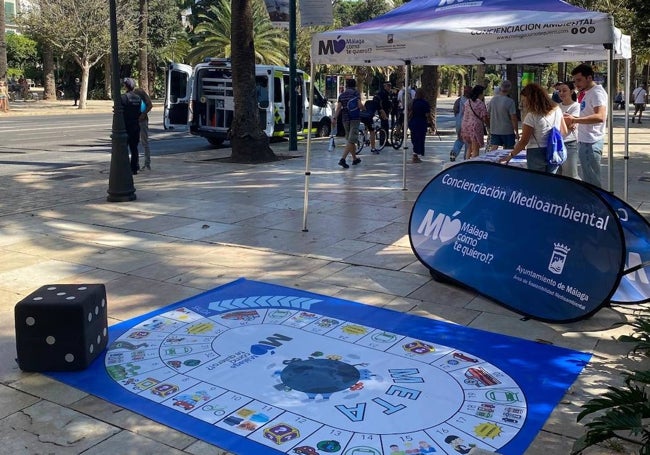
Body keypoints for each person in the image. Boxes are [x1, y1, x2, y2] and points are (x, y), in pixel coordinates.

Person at [501, 83, 568, 174]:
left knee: (537, 182)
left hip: (536, 152)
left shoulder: (531, 116)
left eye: (524, 100)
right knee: (550, 181)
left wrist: (510, 155)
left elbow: (524, 141)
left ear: (530, 99)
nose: (523, 103)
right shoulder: (557, 109)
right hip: (554, 150)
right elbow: (564, 131)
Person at [564, 63, 608, 187]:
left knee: (591, 181)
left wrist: (575, 120)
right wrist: (575, 119)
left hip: (591, 142)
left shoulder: (596, 93)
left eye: (579, 80)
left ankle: (595, 205)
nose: (576, 84)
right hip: (585, 141)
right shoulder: (588, 92)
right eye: (574, 81)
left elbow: (600, 116)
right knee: (588, 178)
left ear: (589, 78)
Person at [331, 78, 362, 169]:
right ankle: (342, 159)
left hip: (345, 119)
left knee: (349, 138)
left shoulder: (342, 95)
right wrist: (364, 108)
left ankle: (354, 159)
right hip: (354, 118)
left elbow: (339, 108)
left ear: (346, 85)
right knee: (352, 140)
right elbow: (359, 105)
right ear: (354, 85)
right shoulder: (356, 93)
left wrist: (334, 118)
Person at [557, 81, 580, 179]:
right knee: (558, 175)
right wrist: (565, 120)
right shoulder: (556, 106)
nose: (561, 93)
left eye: (564, 90)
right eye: (560, 91)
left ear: (571, 92)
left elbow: (571, 123)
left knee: (571, 175)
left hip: (569, 143)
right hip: (557, 143)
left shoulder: (576, 106)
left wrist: (564, 121)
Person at [487, 80, 519, 151]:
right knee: (508, 150)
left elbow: (487, 114)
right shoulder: (510, 101)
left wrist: (489, 126)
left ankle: (491, 161)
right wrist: (516, 131)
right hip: (507, 130)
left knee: (494, 148)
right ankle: (506, 161)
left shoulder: (493, 100)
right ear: (509, 89)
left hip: (495, 129)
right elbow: (513, 118)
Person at [121, 78, 142, 175]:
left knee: (123, 148)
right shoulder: (138, 98)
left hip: (126, 126)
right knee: (134, 148)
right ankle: (134, 167)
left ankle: (124, 167)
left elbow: (119, 112)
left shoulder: (124, 97)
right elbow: (141, 110)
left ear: (126, 86)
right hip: (136, 125)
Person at [460, 85, 489, 159]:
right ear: (480, 94)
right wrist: (489, 125)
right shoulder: (480, 103)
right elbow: (485, 116)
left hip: (466, 126)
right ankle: (473, 164)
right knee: (476, 148)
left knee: (469, 147)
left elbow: (464, 113)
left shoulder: (467, 102)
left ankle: (466, 162)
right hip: (475, 127)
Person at [408, 88, 434, 163]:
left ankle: (415, 153)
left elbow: (409, 112)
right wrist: (431, 123)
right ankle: (415, 155)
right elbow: (427, 114)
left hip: (412, 122)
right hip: (421, 122)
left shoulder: (413, 102)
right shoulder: (424, 103)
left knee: (414, 138)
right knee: (420, 139)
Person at [133, 81, 153, 171]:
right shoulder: (136, 93)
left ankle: (146, 163)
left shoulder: (139, 92)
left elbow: (150, 105)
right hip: (137, 120)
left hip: (141, 120)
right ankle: (138, 164)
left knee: (143, 142)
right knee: (139, 143)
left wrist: (143, 114)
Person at [450, 86, 470, 161]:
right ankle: (466, 158)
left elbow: (455, 110)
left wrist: (458, 118)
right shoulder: (471, 102)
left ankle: (454, 152)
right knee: (468, 141)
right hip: (467, 123)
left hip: (459, 123)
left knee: (460, 139)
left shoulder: (459, 100)